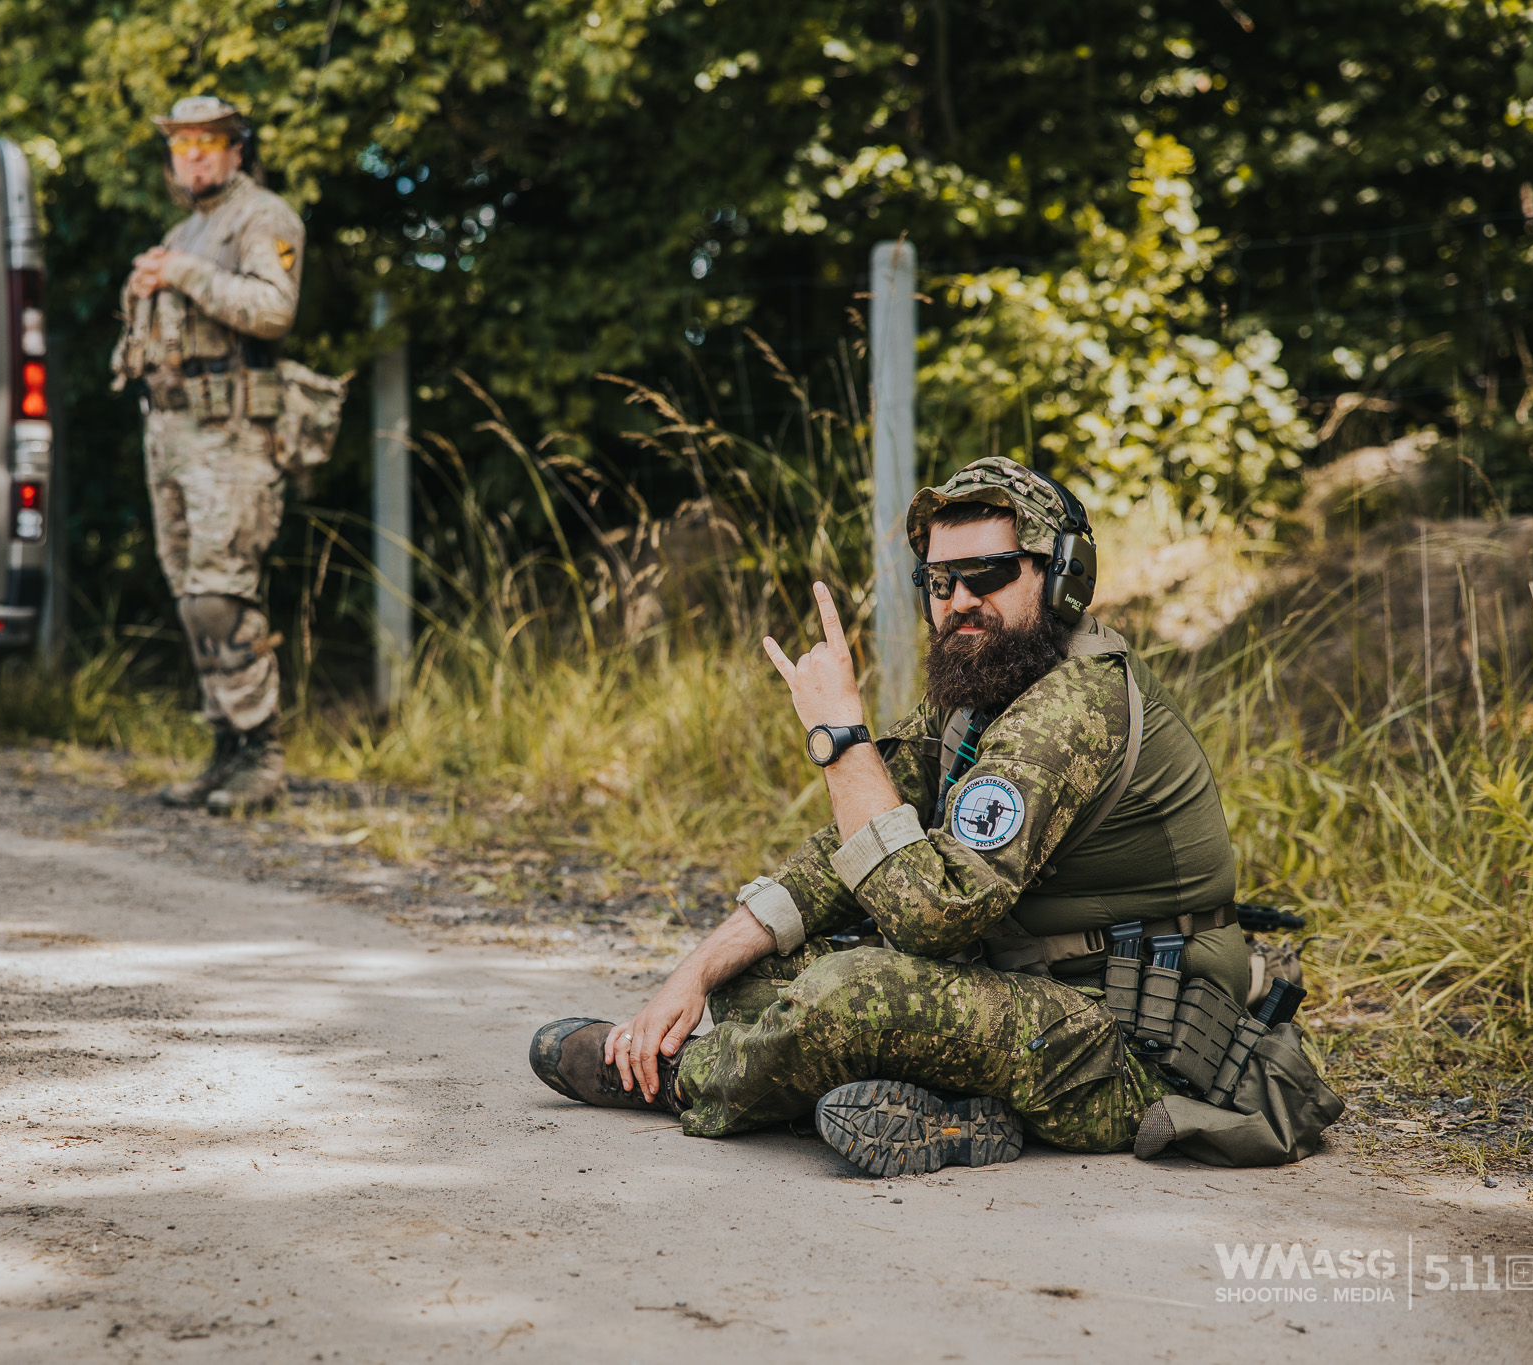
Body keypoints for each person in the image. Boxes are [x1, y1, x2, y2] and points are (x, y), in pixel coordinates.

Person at [528, 456, 1250, 1176]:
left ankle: (681, 1080)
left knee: (849, 994)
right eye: (940, 581)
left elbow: (933, 914)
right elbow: (853, 844)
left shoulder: (1069, 708)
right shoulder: (981, 684)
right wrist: (691, 972)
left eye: (990, 573)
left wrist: (842, 739)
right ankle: (945, 1113)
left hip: (1126, 1042)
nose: (959, 599)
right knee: (754, 973)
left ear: (1063, 577)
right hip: (1028, 992)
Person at [111, 94, 305, 813]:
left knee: (222, 595)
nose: (191, 154)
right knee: (193, 600)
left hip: (231, 435)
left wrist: (181, 276)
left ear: (237, 150)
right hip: (172, 430)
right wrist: (140, 298)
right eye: (180, 143)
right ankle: (226, 750)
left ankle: (262, 756)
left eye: (207, 141)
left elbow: (273, 308)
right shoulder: (185, 229)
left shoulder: (263, 216)